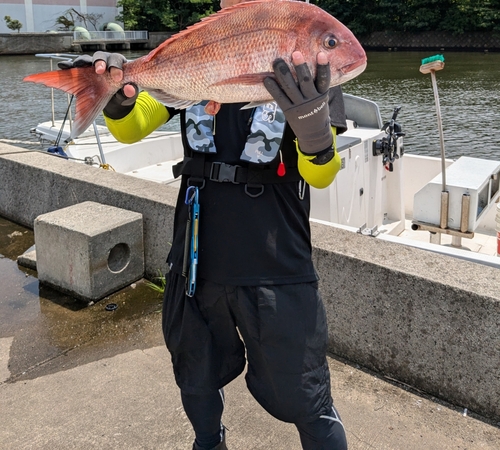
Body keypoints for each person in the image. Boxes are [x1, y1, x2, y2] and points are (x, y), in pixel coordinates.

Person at [62, 1, 349, 448]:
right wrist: (117, 99)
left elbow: (321, 173)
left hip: (276, 259)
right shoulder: (199, 52)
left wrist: (314, 131)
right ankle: (209, 441)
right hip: (197, 256)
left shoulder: (310, 65)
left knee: (305, 392)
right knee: (196, 375)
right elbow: (134, 128)